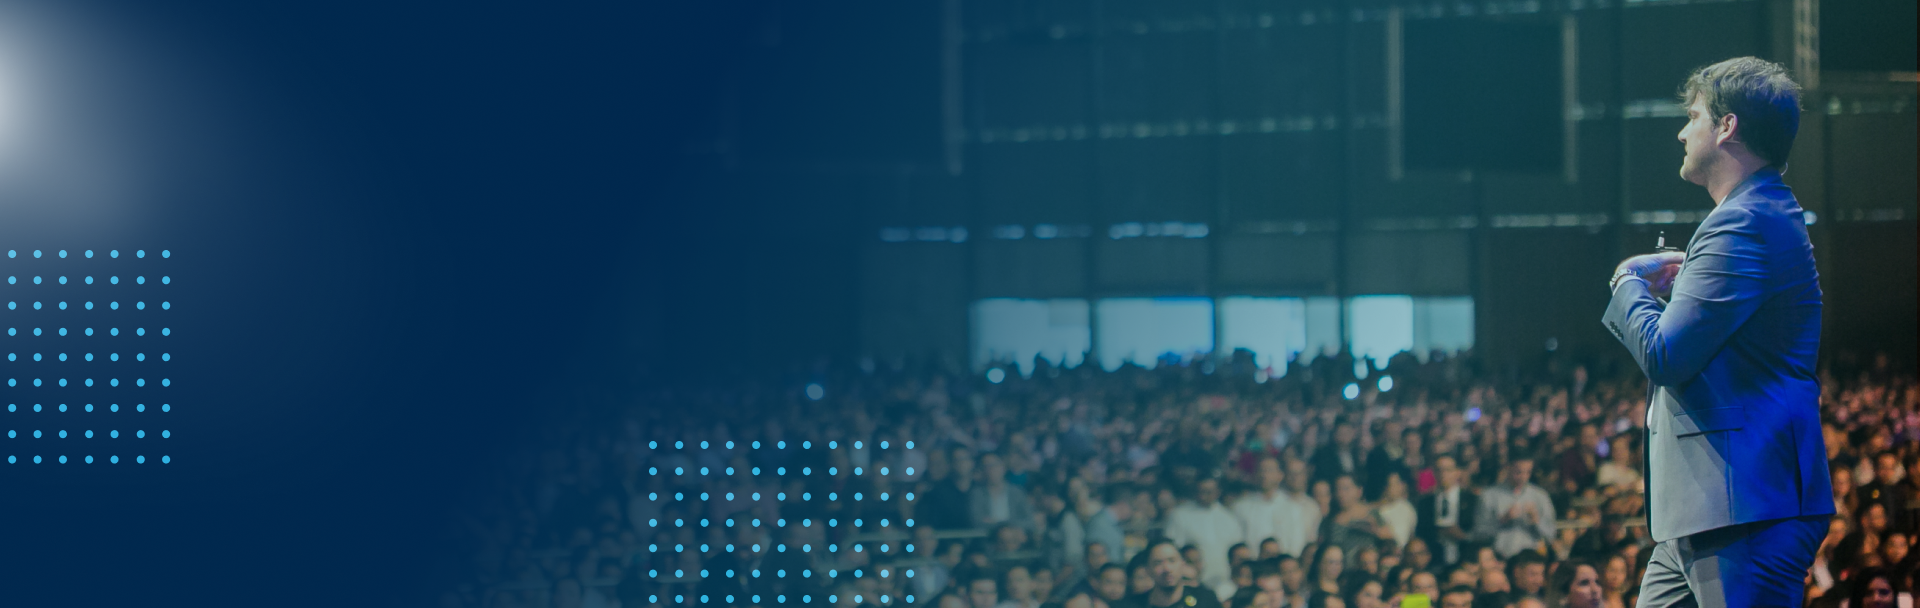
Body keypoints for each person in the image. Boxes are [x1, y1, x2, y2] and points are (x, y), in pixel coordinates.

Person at [1601, 56, 1833, 607]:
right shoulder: (1760, 212)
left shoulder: (1742, 221)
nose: (1683, 132)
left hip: (1744, 508)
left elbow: (1665, 355)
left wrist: (1626, 281)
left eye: (1693, 116)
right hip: (1711, 508)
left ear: (1727, 126)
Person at [1165, 477, 1245, 593]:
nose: (1203, 496)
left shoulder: (1229, 518)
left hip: (1225, 582)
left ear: (1218, 492)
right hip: (1191, 582)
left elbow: (1237, 552)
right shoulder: (1179, 515)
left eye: (1208, 492)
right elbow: (1172, 550)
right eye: (1200, 491)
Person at [1473, 459, 1555, 559]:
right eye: (1518, 472)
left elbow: (1551, 535)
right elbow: (1479, 534)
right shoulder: (1489, 495)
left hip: (1531, 558)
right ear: (1508, 468)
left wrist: (1536, 522)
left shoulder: (1540, 496)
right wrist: (1503, 520)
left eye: (1528, 472)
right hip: (1499, 558)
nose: (1523, 477)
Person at [1112, 541, 1224, 608]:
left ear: (1182, 564)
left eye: (1172, 561)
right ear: (1148, 569)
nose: (1167, 569)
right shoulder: (1131, 605)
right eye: (1158, 563)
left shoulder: (1205, 599)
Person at [1416, 456, 1479, 566]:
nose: (1443, 474)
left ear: (1457, 472)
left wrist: (1464, 536)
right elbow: (1421, 532)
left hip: (1465, 558)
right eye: (1439, 470)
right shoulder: (1425, 503)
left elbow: (1482, 530)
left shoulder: (1472, 500)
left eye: (1448, 470)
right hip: (1434, 560)